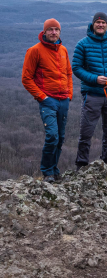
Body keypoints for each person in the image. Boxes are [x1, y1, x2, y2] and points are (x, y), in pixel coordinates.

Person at [72, 12, 107, 170]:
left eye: (103, 22)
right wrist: (94, 79)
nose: (101, 25)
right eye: (98, 22)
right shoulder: (83, 44)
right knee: (86, 133)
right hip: (92, 95)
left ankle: (105, 162)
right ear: (93, 24)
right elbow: (76, 68)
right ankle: (81, 165)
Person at [22, 19, 73, 183]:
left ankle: (55, 170)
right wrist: (42, 97)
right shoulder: (35, 51)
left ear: (60, 32)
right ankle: (47, 172)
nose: (53, 32)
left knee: (61, 138)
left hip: (63, 100)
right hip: (48, 101)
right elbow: (26, 78)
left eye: (56, 30)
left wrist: (69, 95)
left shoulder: (63, 50)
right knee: (52, 135)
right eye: (50, 30)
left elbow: (69, 74)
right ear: (44, 32)